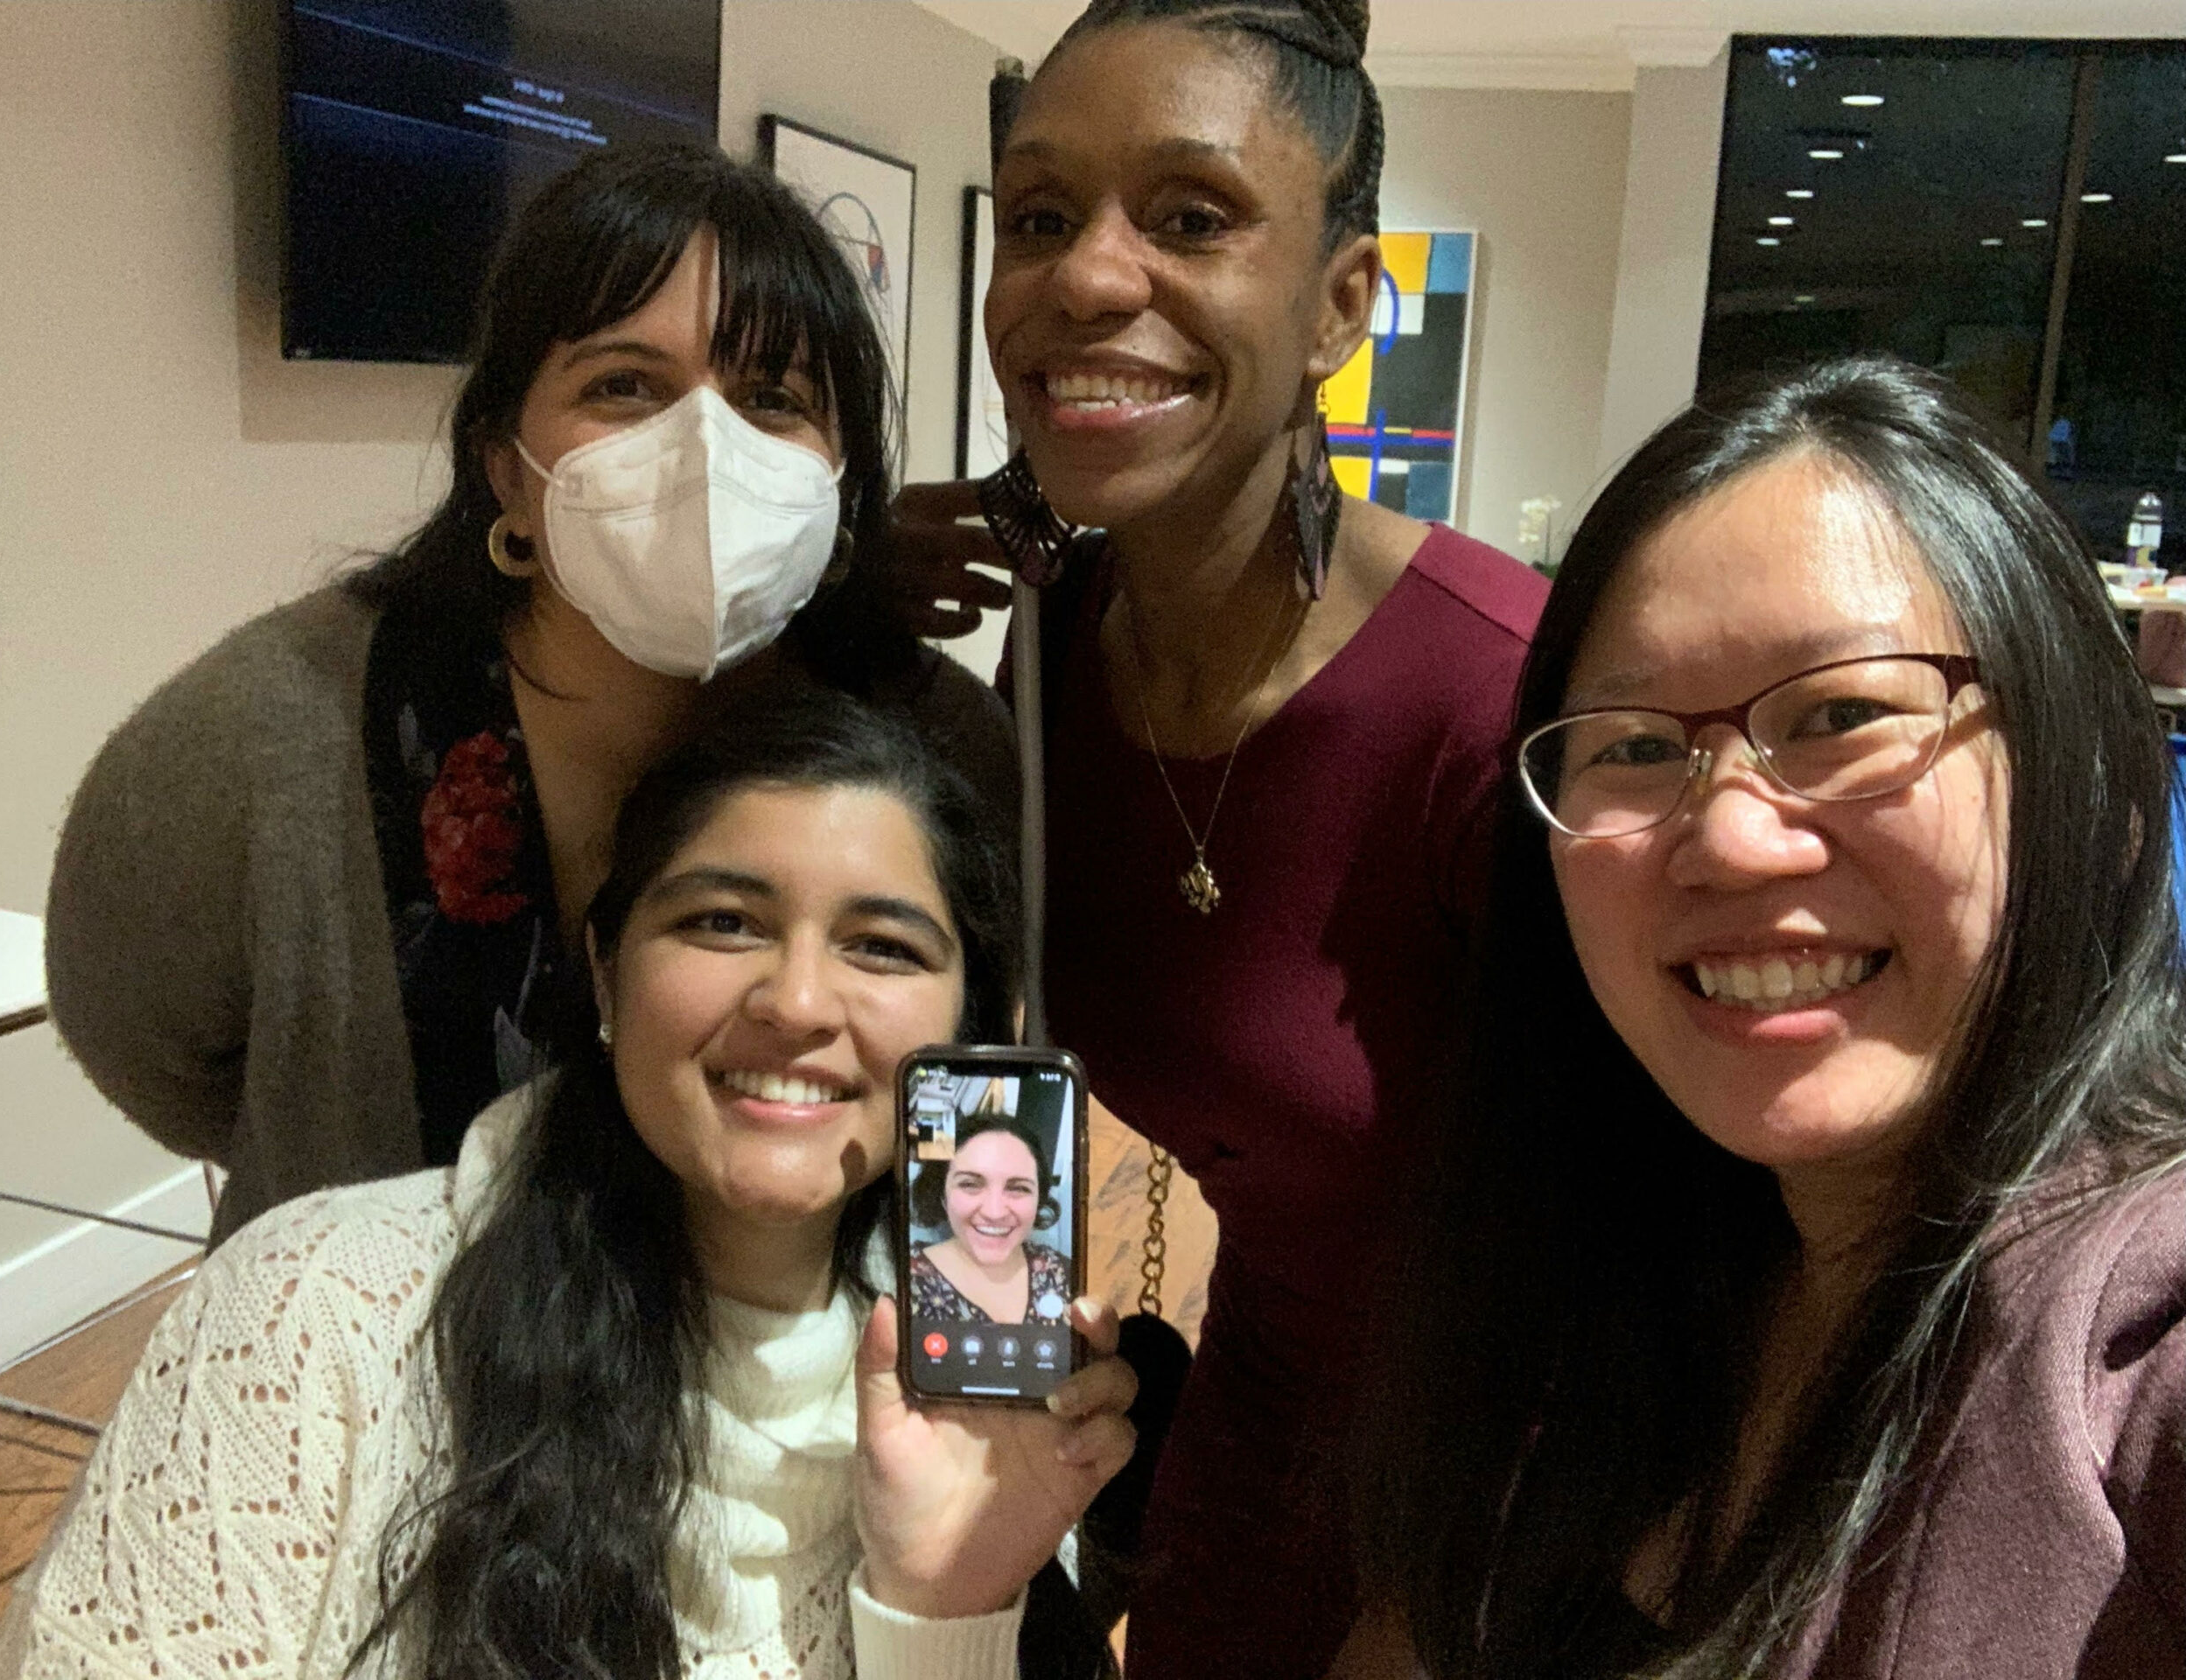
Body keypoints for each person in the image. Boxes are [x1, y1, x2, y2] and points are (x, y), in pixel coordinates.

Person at [0, 691, 1133, 1680]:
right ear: (605, 970)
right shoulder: (315, 1320)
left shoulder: (984, 1415)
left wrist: (943, 1608)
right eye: (723, 921)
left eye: (882, 947)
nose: (797, 1002)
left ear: (970, 1031)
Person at [1348, 357, 2186, 1679]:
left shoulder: (2143, 1350)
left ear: (2071, 763)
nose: (1730, 839)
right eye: (1629, 745)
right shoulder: (1628, 1261)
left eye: (1843, 714)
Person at [46, 141, 1013, 1243]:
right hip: (373, 1383)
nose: (704, 447)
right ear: (505, 462)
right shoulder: (269, 732)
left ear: (842, 475)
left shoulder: (939, 746)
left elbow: (971, 1096)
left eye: (772, 397)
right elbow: (144, 1030)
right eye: (624, 387)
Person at [966, 2, 1546, 1671]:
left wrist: (1430, 1614)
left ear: (1342, 307)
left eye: (1192, 216)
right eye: (1041, 216)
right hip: (1254, 1434)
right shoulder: (1050, 646)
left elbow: (1645, 1274)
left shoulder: (1500, 705)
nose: (1086, 278)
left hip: (1531, 1496)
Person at [909, 1114, 1074, 1324]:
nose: (994, 1213)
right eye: (970, 1185)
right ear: (942, 1195)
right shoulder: (905, 1281)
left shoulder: (1062, 1272)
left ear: (1038, 1200)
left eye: (1018, 1188)